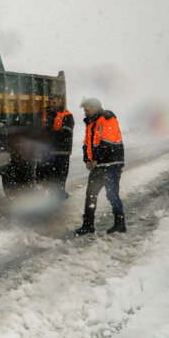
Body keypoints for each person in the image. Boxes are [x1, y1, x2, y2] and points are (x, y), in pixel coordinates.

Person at [75, 97, 126, 235]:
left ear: (95, 108)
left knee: (112, 194)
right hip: (100, 165)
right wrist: (87, 159)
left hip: (111, 164)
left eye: (86, 110)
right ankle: (88, 226)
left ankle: (120, 224)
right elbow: (87, 144)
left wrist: (96, 159)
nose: (85, 113)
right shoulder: (91, 123)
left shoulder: (107, 119)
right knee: (91, 194)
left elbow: (108, 143)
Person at [36, 94, 74, 198]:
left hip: (62, 150)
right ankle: (54, 193)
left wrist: (49, 135)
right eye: (50, 102)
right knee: (47, 173)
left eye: (54, 102)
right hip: (49, 150)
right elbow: (41, 130)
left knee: (60, 173)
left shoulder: (67, 115)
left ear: (60, 102)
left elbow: (66, 133)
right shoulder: (46, 114)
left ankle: (60, 193)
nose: (51, 105)